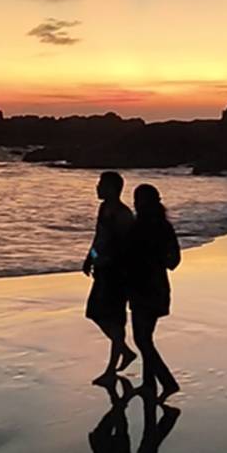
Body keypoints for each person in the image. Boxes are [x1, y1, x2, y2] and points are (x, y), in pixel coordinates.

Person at [126, 183, 181, 400]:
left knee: (142, 339)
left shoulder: (137, 227)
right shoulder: (165, 226)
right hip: (158, 286)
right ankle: (149, 384)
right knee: (146, 336)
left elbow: (127, 257)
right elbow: (174, 261)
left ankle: (167, 381)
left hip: (141, 288)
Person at [83, 170, 137, 385]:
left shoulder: (123, 215)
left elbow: (127, 248)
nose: (97, 188)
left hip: (117, 274)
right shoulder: (104, 208)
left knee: (115, 319)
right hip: (103, 270)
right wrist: (90, 257)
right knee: (94, 312)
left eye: (101, 184)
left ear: (113, 188)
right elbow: (99, 238)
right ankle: (124, 351)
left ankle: (111, 369)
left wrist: (110, 263)